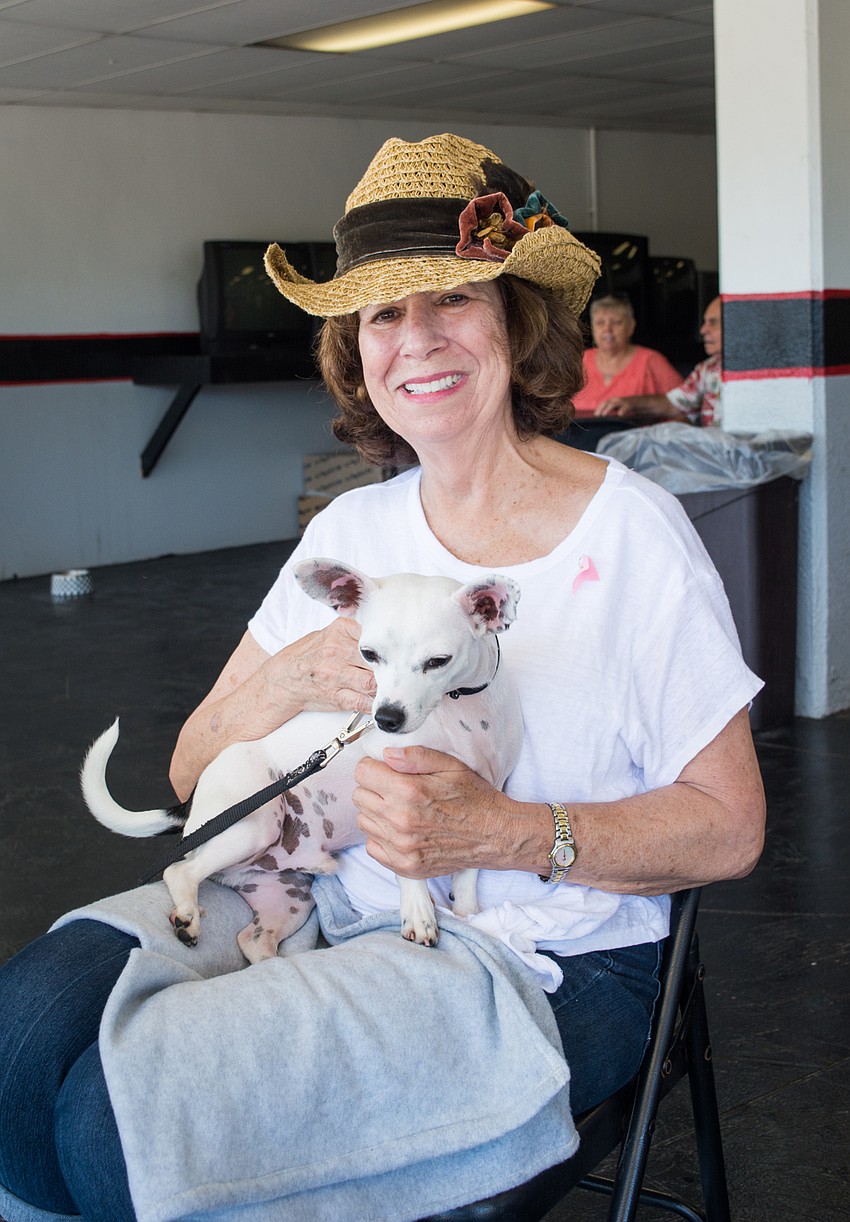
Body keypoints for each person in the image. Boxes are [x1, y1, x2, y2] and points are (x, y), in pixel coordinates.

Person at [0, 135, 765, 1222]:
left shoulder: (633, 531)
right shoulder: (351, 533)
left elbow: (728, 830)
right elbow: (191, 769)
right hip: (325, 896)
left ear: (513, 319)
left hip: (549, 961)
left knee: (112, 1128)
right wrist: (287, 681)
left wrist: (496, 830)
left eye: (451, 297)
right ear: (354, 351)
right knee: (20, 1049)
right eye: (381, 314)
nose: (418, 339)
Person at [595, 295, 723, 425]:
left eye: (713, 323)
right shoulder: (708, 368)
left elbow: (681, 417)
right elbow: (675, 403)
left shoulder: (650, 360)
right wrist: (630, 403)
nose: (703, 330)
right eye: (599, 323)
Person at [571, 294, 681, 416]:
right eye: (600, 323)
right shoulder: (579, 361)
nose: (607, 329)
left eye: (616, 323)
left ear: (631, 326)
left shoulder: (651, 360)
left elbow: (685, 405)